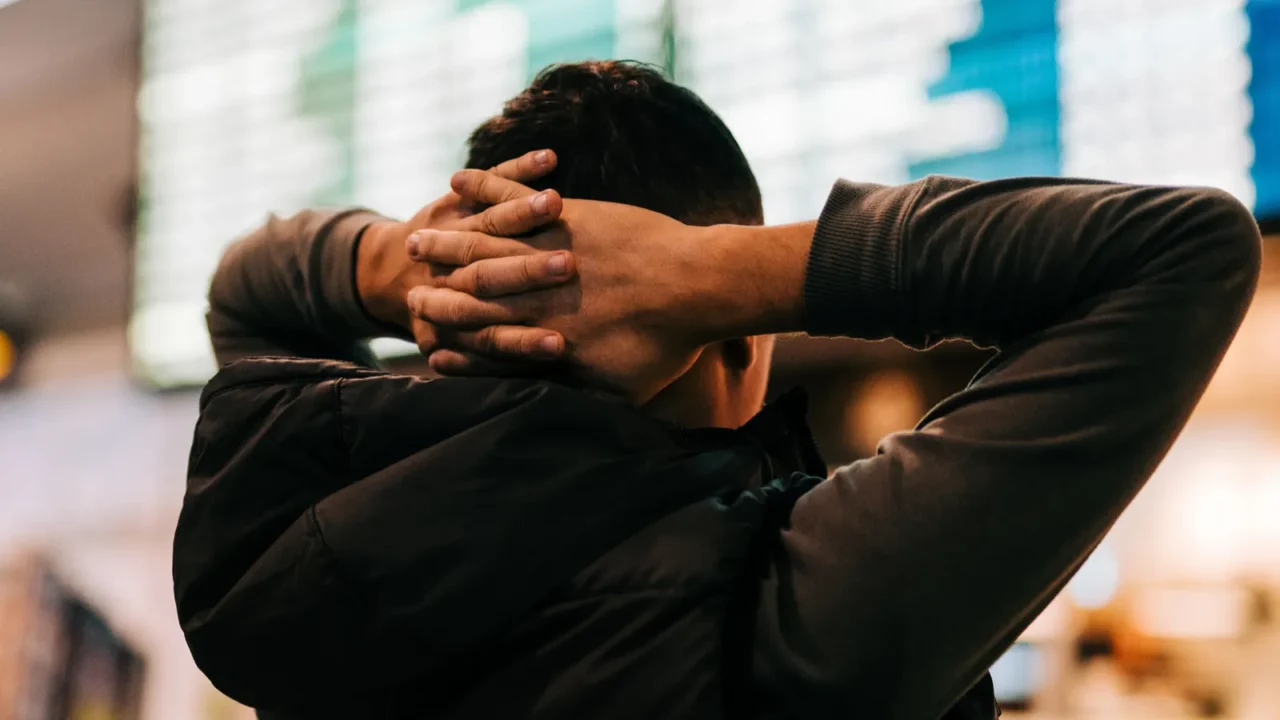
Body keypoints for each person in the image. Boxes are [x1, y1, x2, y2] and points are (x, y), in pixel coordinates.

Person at [172, 61, 1262, 720]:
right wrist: (709, 273)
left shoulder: (285, 532)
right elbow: (1175, 249)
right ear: (729, 340)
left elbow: (250, 284)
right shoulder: (798, 605)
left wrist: (407, 258)